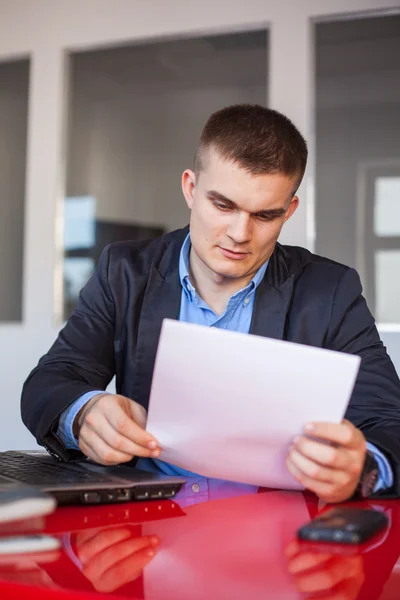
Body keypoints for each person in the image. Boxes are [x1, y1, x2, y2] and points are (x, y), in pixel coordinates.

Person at [21, 104, 400, 504]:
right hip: (147, 525)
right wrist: (83, 413)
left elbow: (390, 423)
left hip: (277, 529)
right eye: (223, 205)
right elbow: (50, 381)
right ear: (190, 188)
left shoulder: (330, 290)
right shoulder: (125, 271)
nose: (239, 233)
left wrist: (361, 467)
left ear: (289, 210)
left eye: (265, 215)